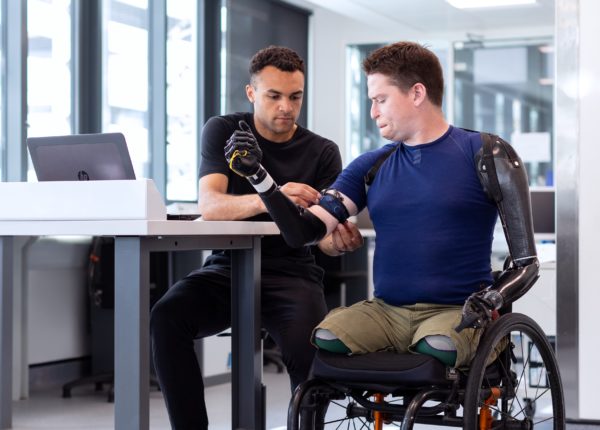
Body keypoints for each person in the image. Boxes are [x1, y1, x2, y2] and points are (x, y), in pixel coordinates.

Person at [225, 41, 539, 369]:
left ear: (417, 94)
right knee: (324, 339)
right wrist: (259, 177)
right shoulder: (370, 167)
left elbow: (526, 263)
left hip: (455, 311)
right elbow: (303, 231)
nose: (373, 112)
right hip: (385, 313)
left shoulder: (487, 154)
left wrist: (493, 298)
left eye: (380, 100)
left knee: (437, 346)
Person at [150, 45, 363, 429]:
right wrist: (273, 197)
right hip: (227, 267)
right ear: (251, 94)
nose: (286, 106)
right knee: (167, 317)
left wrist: (338, 240)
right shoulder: (226, 131)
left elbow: (325, 240)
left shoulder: (322, 152)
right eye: (274, 95)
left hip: (292, 273)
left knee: (310, 359)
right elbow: (211, 205)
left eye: (295, 97)